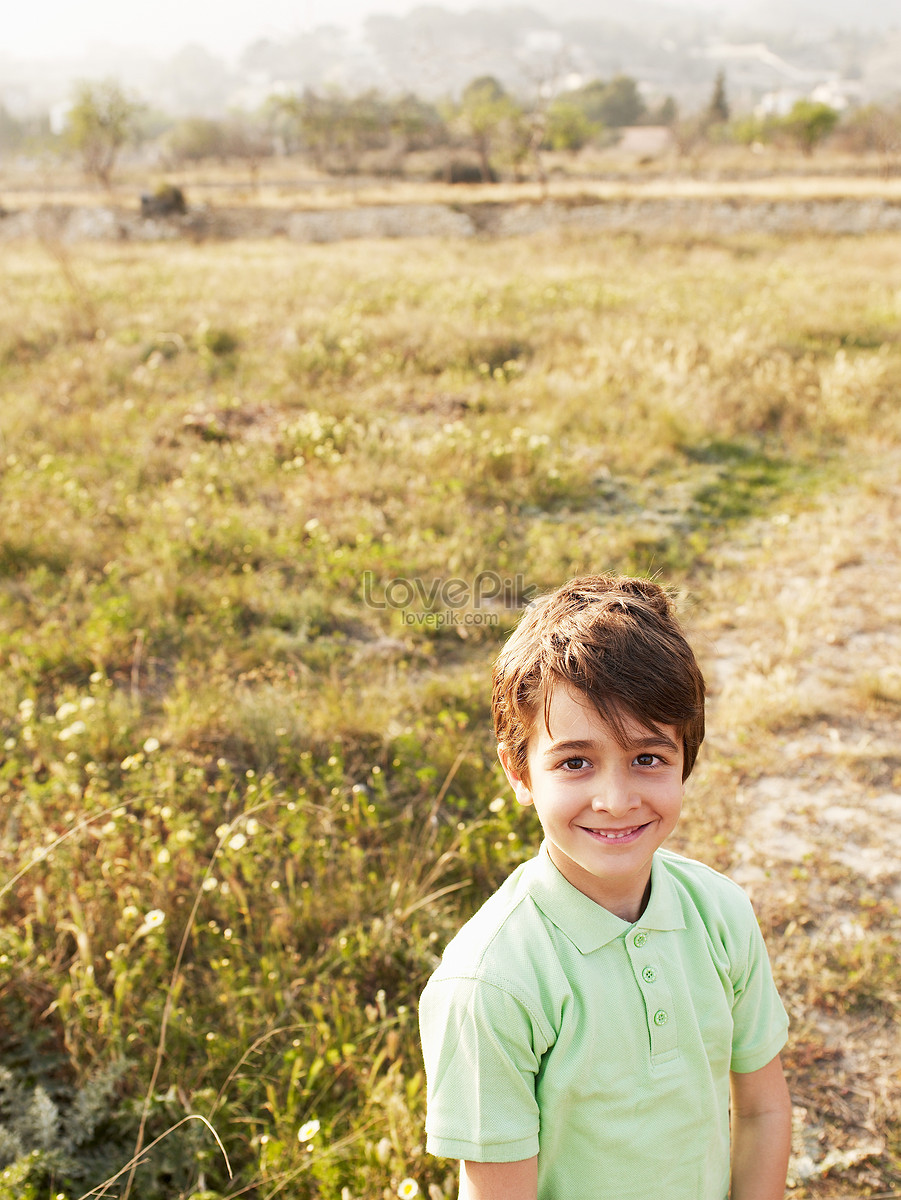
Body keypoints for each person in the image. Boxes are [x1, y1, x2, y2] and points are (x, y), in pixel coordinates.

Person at [419, 574, 791, 1200]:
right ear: (519, 771)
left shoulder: (721, 912)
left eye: (648, 758)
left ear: (685, 759)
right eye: (575, 762)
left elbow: (761, 1110)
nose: (615, 801)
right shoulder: (489, 985)